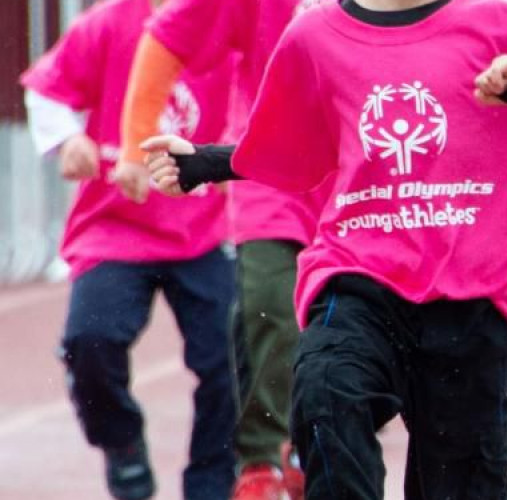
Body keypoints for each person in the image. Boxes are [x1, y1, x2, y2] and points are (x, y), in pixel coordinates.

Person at [140, 0, 507, 497]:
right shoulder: (314, 35)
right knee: (324, 391)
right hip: (358, 277)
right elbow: (290, 148)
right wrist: (205, 162)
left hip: (470, 303)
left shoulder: (497, 23)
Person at [19, 0, 236, 498]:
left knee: (228, 356)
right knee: (89, 342)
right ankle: (121, 443)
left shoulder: (228, 18)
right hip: (114, 225)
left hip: (207, 228)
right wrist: (68, 139)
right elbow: (45, 89)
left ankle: (212, 482)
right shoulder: (110, 21)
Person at [119, 0, 327, 497]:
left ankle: (316, 436)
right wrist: (134, 143)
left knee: (350, 323)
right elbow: (168, 37)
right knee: (269, 305)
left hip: (358, 168)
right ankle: (262, 456)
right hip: (265, 166)